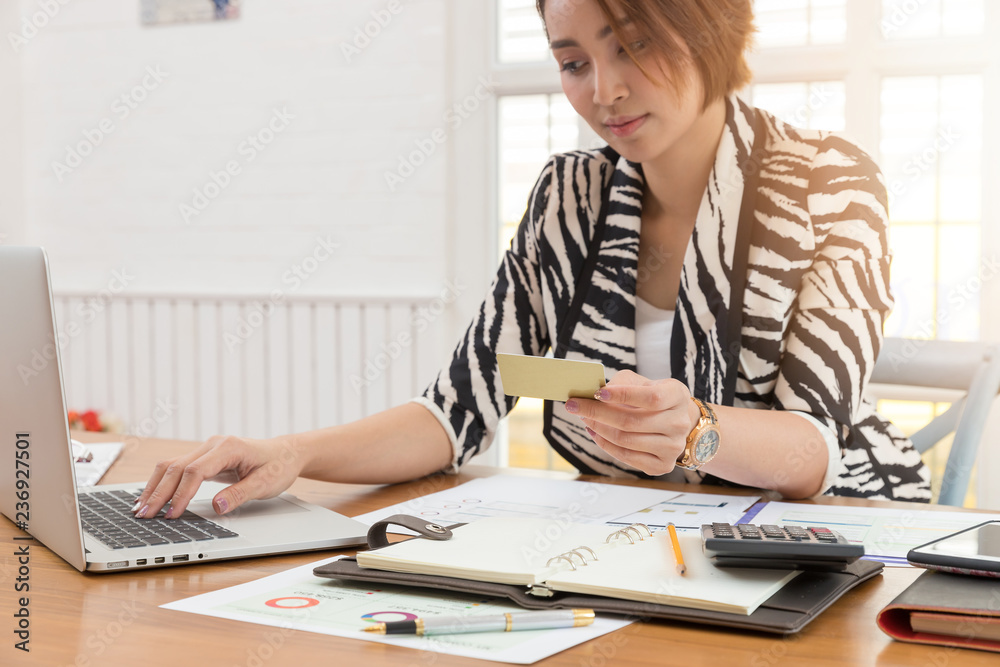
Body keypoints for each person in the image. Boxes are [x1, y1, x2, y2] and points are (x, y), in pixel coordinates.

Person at [132, 0, 931, 523]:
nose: (606, 90)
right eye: (575, 62)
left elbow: (812, 446)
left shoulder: (829, 184)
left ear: (712, 22)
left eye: (636, 44)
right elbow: (455, 411)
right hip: (625, 543)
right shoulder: (570, 196)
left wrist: (700, 433)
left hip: (819, 541)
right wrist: (294, 451)